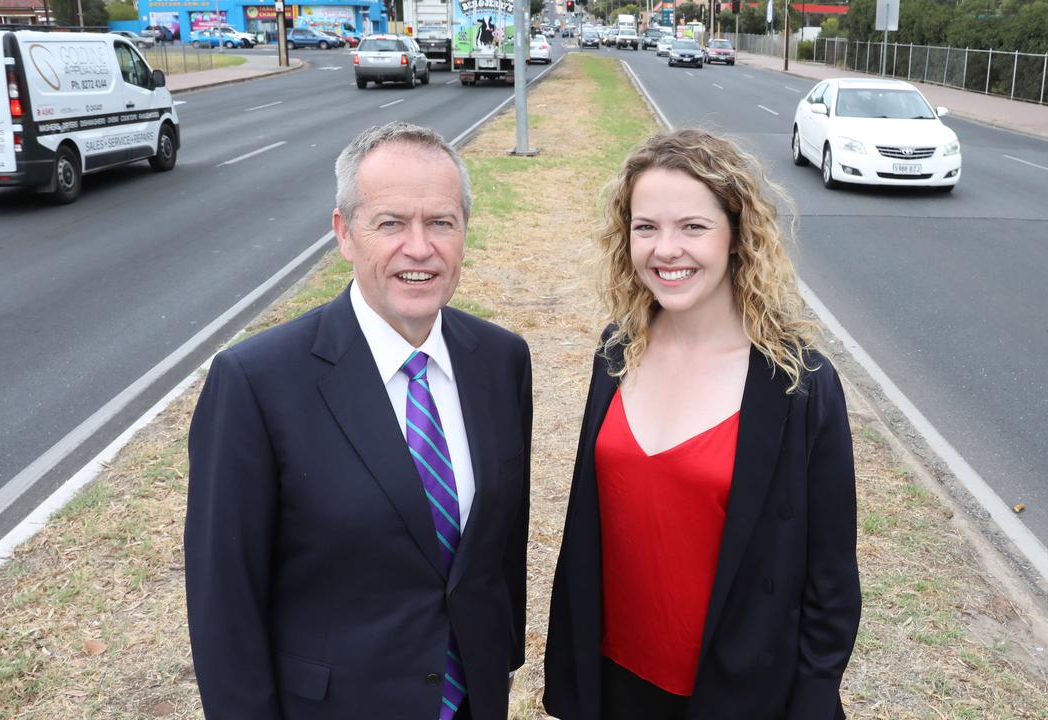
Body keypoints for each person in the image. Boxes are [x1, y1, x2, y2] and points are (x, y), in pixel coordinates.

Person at [185, 122, 532, 720]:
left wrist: (498, 657)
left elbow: (502, 544)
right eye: (391, 223)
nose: (419, 248)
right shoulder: (256, 382)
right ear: (345, 234)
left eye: (441, 222)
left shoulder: (501, 360)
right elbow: (225, 603)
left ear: (465, 233)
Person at [543, 129, 861, 720]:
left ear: (737, 236)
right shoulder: (617, 352)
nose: (667, 250)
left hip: (737, 696)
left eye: (693, 226)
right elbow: (588, 528)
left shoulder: (799, 385)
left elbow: (831, 582)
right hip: (613, 685)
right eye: (646, 228)